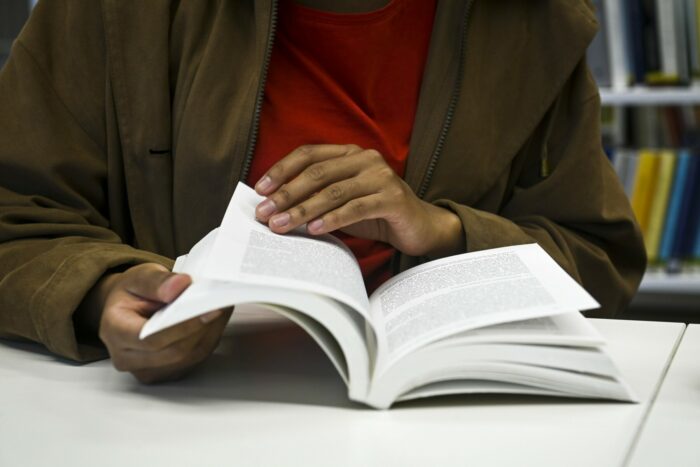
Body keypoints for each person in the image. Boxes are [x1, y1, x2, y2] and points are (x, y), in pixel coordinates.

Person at [0, 0, 646, 383]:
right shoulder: (114, 16)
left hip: (441, 427)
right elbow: (16, 216)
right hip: (158, 426)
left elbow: (597, 261)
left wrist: (442, 230)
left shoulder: (534, 25)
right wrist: (103, 292)